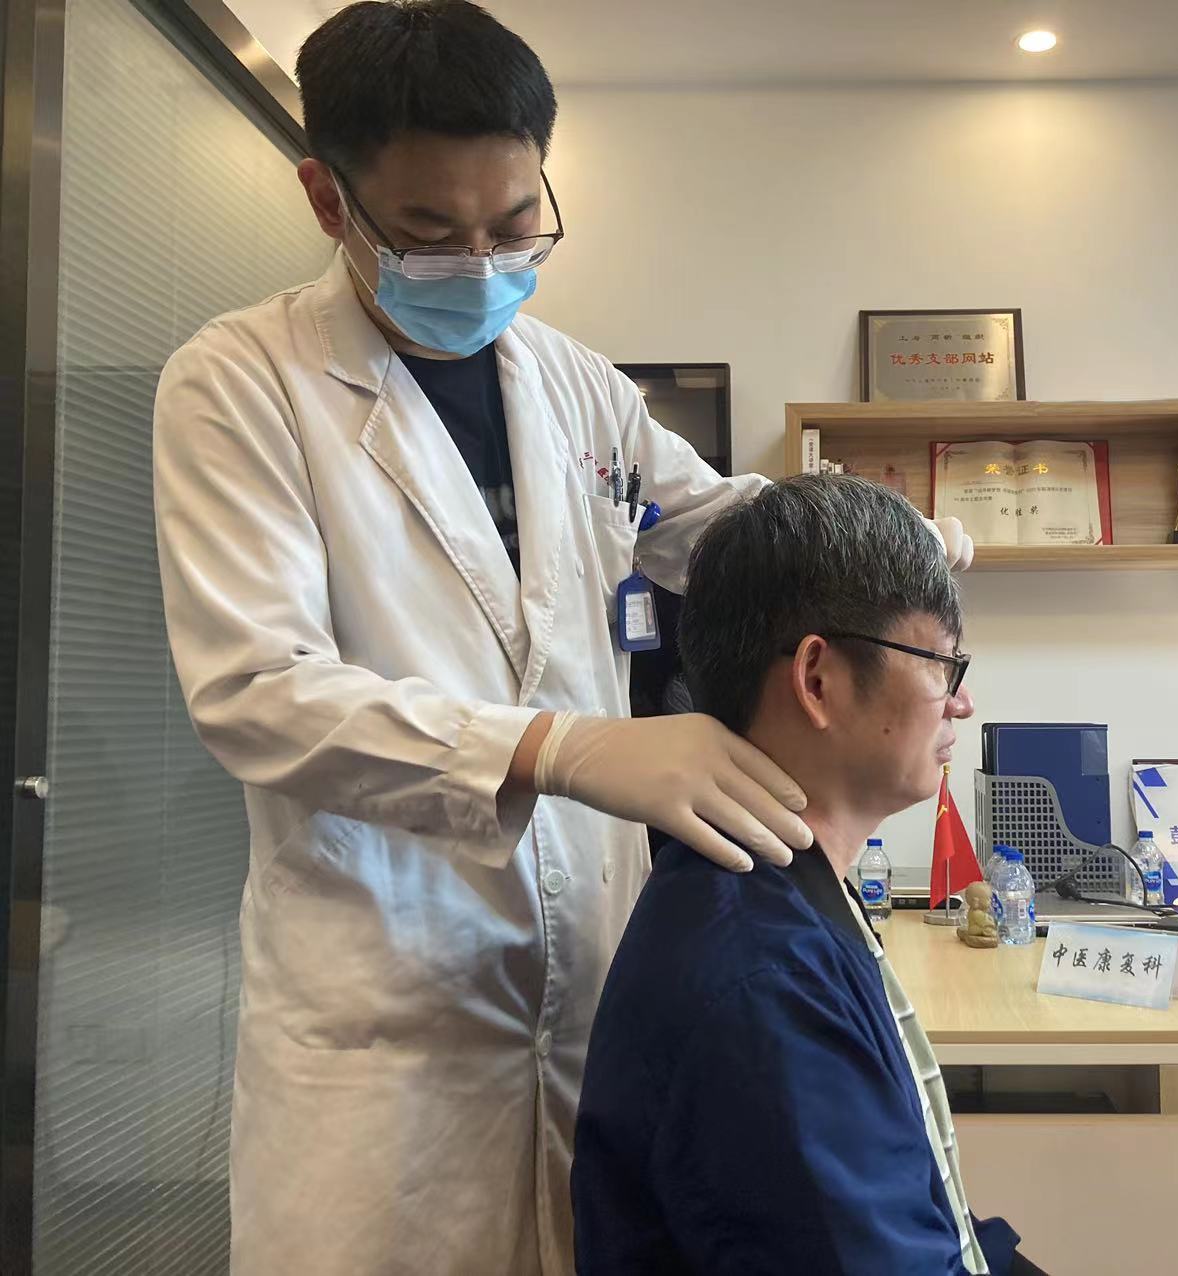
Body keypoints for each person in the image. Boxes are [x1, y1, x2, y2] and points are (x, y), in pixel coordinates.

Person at [150, 4, 972, 1273]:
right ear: (327, 200)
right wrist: (557, 748)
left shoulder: (575, 384)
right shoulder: (240, 382)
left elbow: (717, 525)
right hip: (387, 1027)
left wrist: (879, 546)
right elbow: (257, 691)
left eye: (516, 222)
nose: (481, 262)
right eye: (431, 232)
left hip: (589, 980)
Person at [572, 475, 1043, 1275]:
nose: (959, 704)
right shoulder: (765, 982)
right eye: (942, 664)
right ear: (818, 679)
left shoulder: (777, 899)